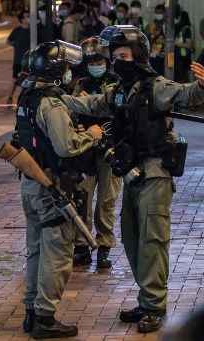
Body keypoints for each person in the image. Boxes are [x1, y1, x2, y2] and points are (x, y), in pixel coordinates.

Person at [68, 25, 204, 333]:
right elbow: (93, 103)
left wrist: (202, 85)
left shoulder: (155, 86)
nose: (117, 62)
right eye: (114, 57)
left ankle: (155, 305)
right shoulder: (119, 91)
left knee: (152, 240)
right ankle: (146, 300)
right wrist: (59, 100)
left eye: (123, 56)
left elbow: (187, 95)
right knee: (131, 238)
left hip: (155, 173)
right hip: (131, 174)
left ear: (138, 56)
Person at [15, 40, 104, 338]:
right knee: (57, 254)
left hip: (32, 183)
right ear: (57, 71)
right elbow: (66, 147)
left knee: (36, 251)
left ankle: (32, 311)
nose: (70, 73)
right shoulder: (50, 104)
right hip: (51, 187)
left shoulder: (28, 96)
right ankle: (45, 317)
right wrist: (91, 135)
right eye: (67, 68)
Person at [71, 36, 120, 268]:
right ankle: (82, 245)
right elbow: (70, 113)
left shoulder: (118, 82)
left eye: (99, 60)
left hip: (111, 149)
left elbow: (121, 112)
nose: (96, 64)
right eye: (92, 60)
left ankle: (104, 246)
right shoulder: (79, 84)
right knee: (82, 198)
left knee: (106, 201)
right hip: (85, 149)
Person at [6, 11, 30, 104]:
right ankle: (10, 97)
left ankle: (24, 98)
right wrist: (16, 45)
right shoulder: (17, 30)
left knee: (28, 79)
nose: (28, 18)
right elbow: (8, 41)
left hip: (29, 60)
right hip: (18, 60)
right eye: (26, 17)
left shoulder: (33, 30)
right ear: (22, 20)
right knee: (15, 79)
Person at [174, 4, 192, 83]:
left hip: (183, 58)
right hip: (178, 57)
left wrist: (177, 43)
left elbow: (189, 45)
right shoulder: (176, 28)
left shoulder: (186, 29)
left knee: (183, 77)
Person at [146, 4, 166, 76]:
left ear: (164, 13)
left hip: (164, 54)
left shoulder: (167, 26)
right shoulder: (150, 25)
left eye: (160, 13)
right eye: (157, 13)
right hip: (152, 54)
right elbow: (146, 40)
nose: (158, 15)